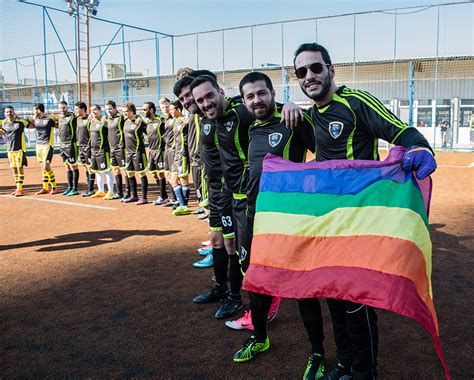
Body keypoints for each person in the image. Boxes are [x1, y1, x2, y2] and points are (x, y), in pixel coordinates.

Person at [293, 42, 437, 380]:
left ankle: (364, 372)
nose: (309, 76)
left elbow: (400, 130)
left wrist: (419, 146)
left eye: (316, 68)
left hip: (359, 222)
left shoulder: (356, 102)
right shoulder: (309, 117)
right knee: (333, 294)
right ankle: (344, 362)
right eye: (301, 72)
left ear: (331, 69)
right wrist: (287, 106)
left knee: (356, 300)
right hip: (326, 222)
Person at [230, 72, 326, 374]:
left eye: (261, 93)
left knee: (301, 290)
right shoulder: (251, 127)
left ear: (272, 92)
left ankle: (318, 354)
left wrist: (294, 106)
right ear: (244, 102)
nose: (256, 100)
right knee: (257, 285)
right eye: (250, 97)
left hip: (288, 223)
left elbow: (324, 155)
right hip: (255, 220)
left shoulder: (292, 121)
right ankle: (259, 338)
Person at [28, 103, 58, 195]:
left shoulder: (49, 119)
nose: (33, 112)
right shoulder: (35, 119)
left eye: (34, 110)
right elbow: (28, 124)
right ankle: (45, 188)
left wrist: (57, 119)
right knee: (42, 167)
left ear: (38, 110)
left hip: (48, 145)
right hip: (39, 145)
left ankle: (54, 187)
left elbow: (58, 125)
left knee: (46, 166)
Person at [121, 102, 148, 204]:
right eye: (123, 112)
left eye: (126, 111)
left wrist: (140, 119)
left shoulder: (139, 122)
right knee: (130, 173)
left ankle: (144, 197)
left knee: (141, 173)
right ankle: (134, 196)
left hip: (138, 152)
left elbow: (148, 132)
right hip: (128, 153)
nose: (124, 113)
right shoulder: (124, 121)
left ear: (132, 111)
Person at [143, 102, 168, 205]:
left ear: (151, 110)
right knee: (153, 173)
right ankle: (164, 195)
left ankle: (163, 196)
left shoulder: (160, 121)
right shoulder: (146, 123)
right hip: (151, 151)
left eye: (145, 109)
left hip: (159, 151)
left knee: (161, 173)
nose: (143, 112)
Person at [169, 101, 191, 216]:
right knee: (173, 180)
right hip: (176, 154)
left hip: (183, 154)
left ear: (178, 109)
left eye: (172, 109)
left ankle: (183, 205)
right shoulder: (175, 121)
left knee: (183, 180)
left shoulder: (186, 121)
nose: (170, 111)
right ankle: (183, 204)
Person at [0, 106, 29, 196]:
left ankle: (20, 189)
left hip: (19, 150)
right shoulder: (4, 123)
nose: (9, 113)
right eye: (7, 112)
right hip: (10, 150)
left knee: (20, 168)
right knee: (14, 169)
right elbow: (3, 131)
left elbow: (30, 124)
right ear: (5, 114)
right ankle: (17, 188)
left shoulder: (20, 122)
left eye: (10, 111)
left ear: (14, 112)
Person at [88, 104, 114, 199]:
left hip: (103, 150)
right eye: (91, 110)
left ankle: (110, 191)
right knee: (97, 171)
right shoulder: (92, 121)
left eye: (95, 110)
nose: (93, 112)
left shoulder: (104, 121)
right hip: (93, 150)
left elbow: (110, 129)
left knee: (107, 171)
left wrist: (104, 120)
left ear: (100, 110)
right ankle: (101, 190)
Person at [104, 100, 128, 200]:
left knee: (125, 171)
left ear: (115, 108)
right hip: (112, 149)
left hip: (121, 149)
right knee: (115, 170)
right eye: (106, 109)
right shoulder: (107, 119)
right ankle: (119, 193)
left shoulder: (121, 117)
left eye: (110, 108)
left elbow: (133, 117)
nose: (108, 111)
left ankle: (128, 192)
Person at [56, 101, 80, 196]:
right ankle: (69, 187)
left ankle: (75, 188)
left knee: (74, 166)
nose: (62, 109)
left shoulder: (72, 116)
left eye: (64, 107)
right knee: (67, 166)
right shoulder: (59, 117)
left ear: (67, 107)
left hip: (71, 144)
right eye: (60, 108)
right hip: (62, 145)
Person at [74, 102, 95, 197]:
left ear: (83, 109)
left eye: (77, 109)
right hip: (80, 146)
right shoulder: (77, 119)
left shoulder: (90, 119)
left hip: (88, 147)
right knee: (85, 167)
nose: (75, 111)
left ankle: (91, 189)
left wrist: (89, 145)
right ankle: (89, 188)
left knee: (90, 168)